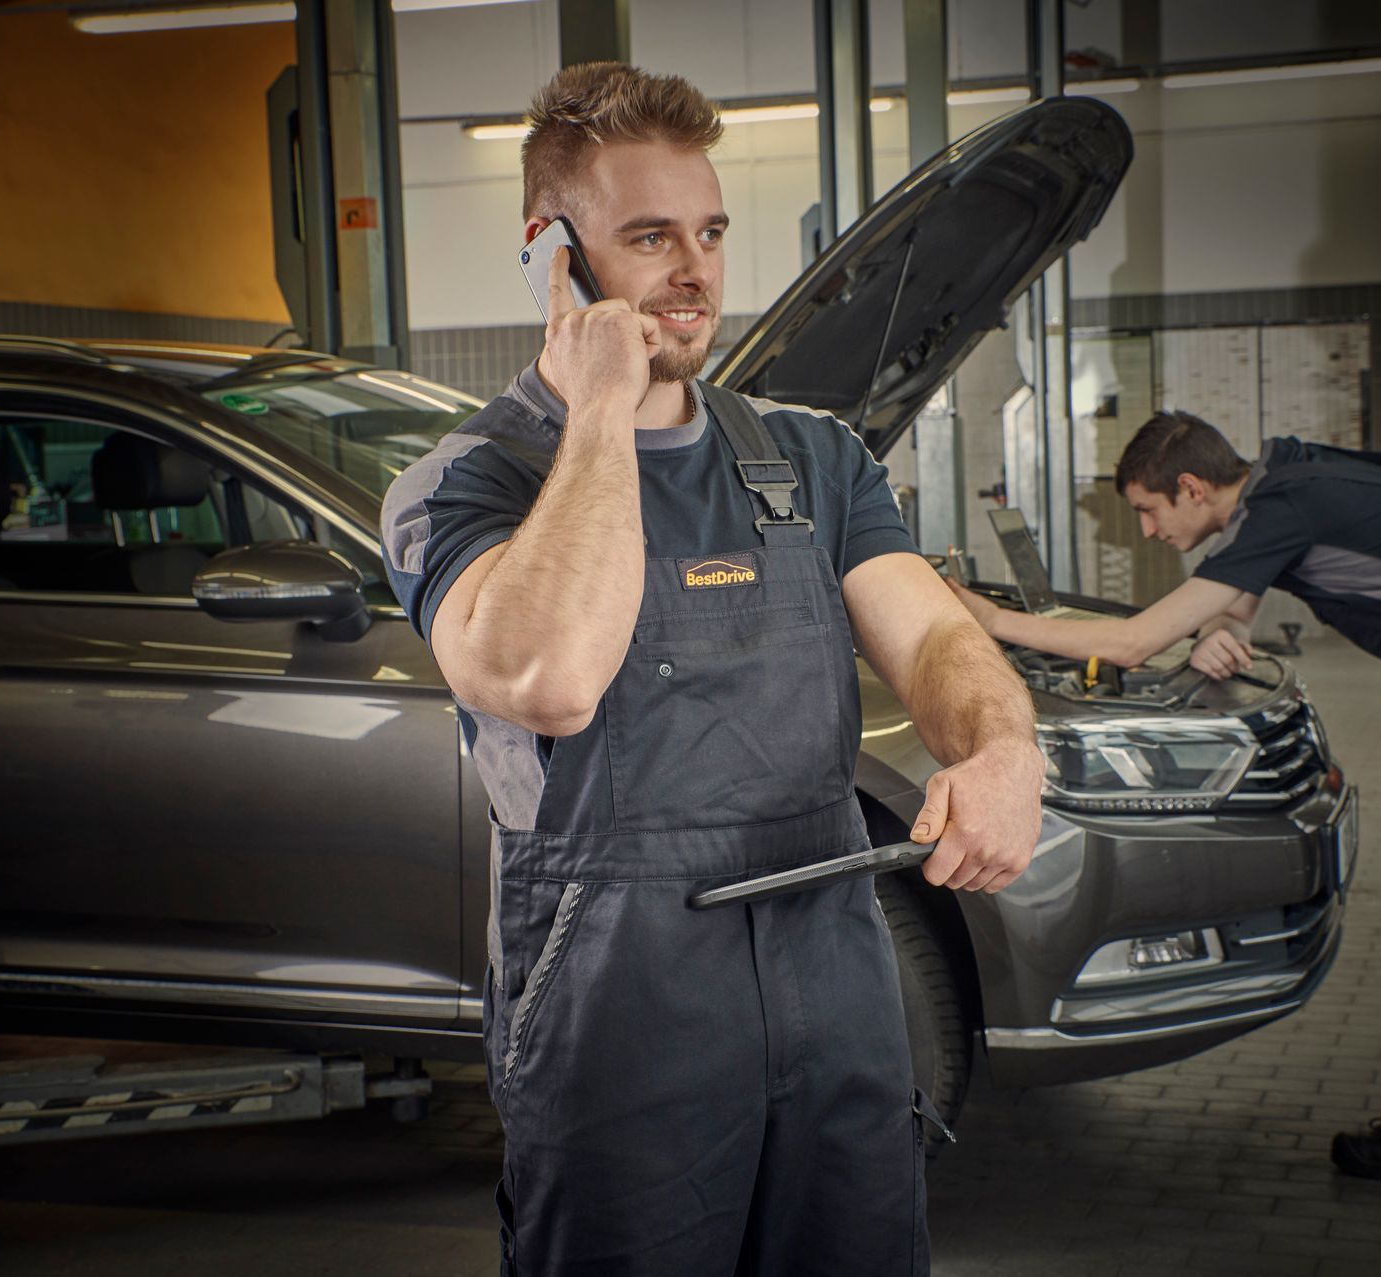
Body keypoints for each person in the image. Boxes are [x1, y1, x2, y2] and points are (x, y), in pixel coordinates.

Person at [381, 63, 1045, 1274]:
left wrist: (999, 744)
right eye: (648, 237)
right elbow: (549, 676)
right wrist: (598, 413)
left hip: (837, 970)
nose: (693, 272)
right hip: (621, 999)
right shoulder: (465, 486)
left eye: (710, 232)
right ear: (554, 256)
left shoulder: (813, 461)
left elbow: (940, 635)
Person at [947, 409, 1381, 1184]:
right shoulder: (1291, 472)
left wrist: (985, 619)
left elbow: (1129, 643)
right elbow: (1241, 591)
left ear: (1192, 487)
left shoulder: (1278, 508)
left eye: (1150, 511)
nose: (1149, 532)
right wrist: (1217, 626)